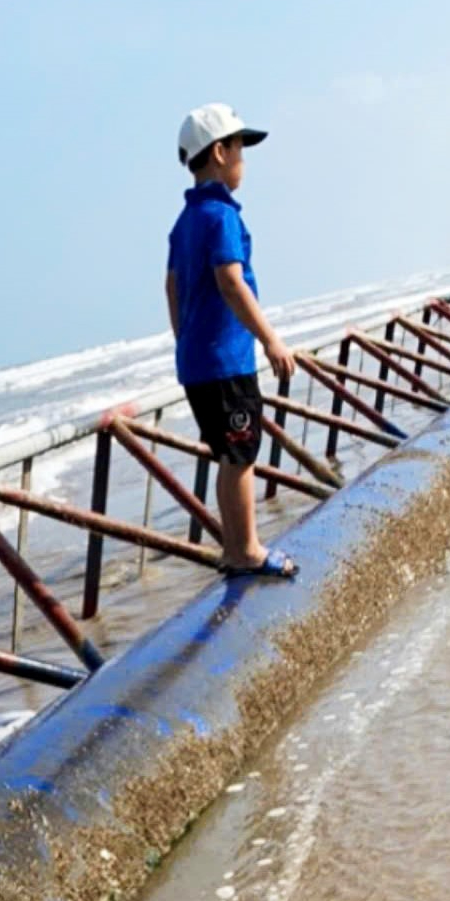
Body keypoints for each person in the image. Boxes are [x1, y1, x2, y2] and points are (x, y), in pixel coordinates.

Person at [166, 103, 299, 578]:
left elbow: (172, 286)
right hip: (226, 362)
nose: (245, 158)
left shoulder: (185, 221)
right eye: (241, 147)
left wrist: (187, 342)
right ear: (219, 152)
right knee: (242, 454)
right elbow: (230, 280)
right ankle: (246, 551)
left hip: (200, 363)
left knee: (229, 454)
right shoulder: (220, 215)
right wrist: (270, 340)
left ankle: (235, 548)